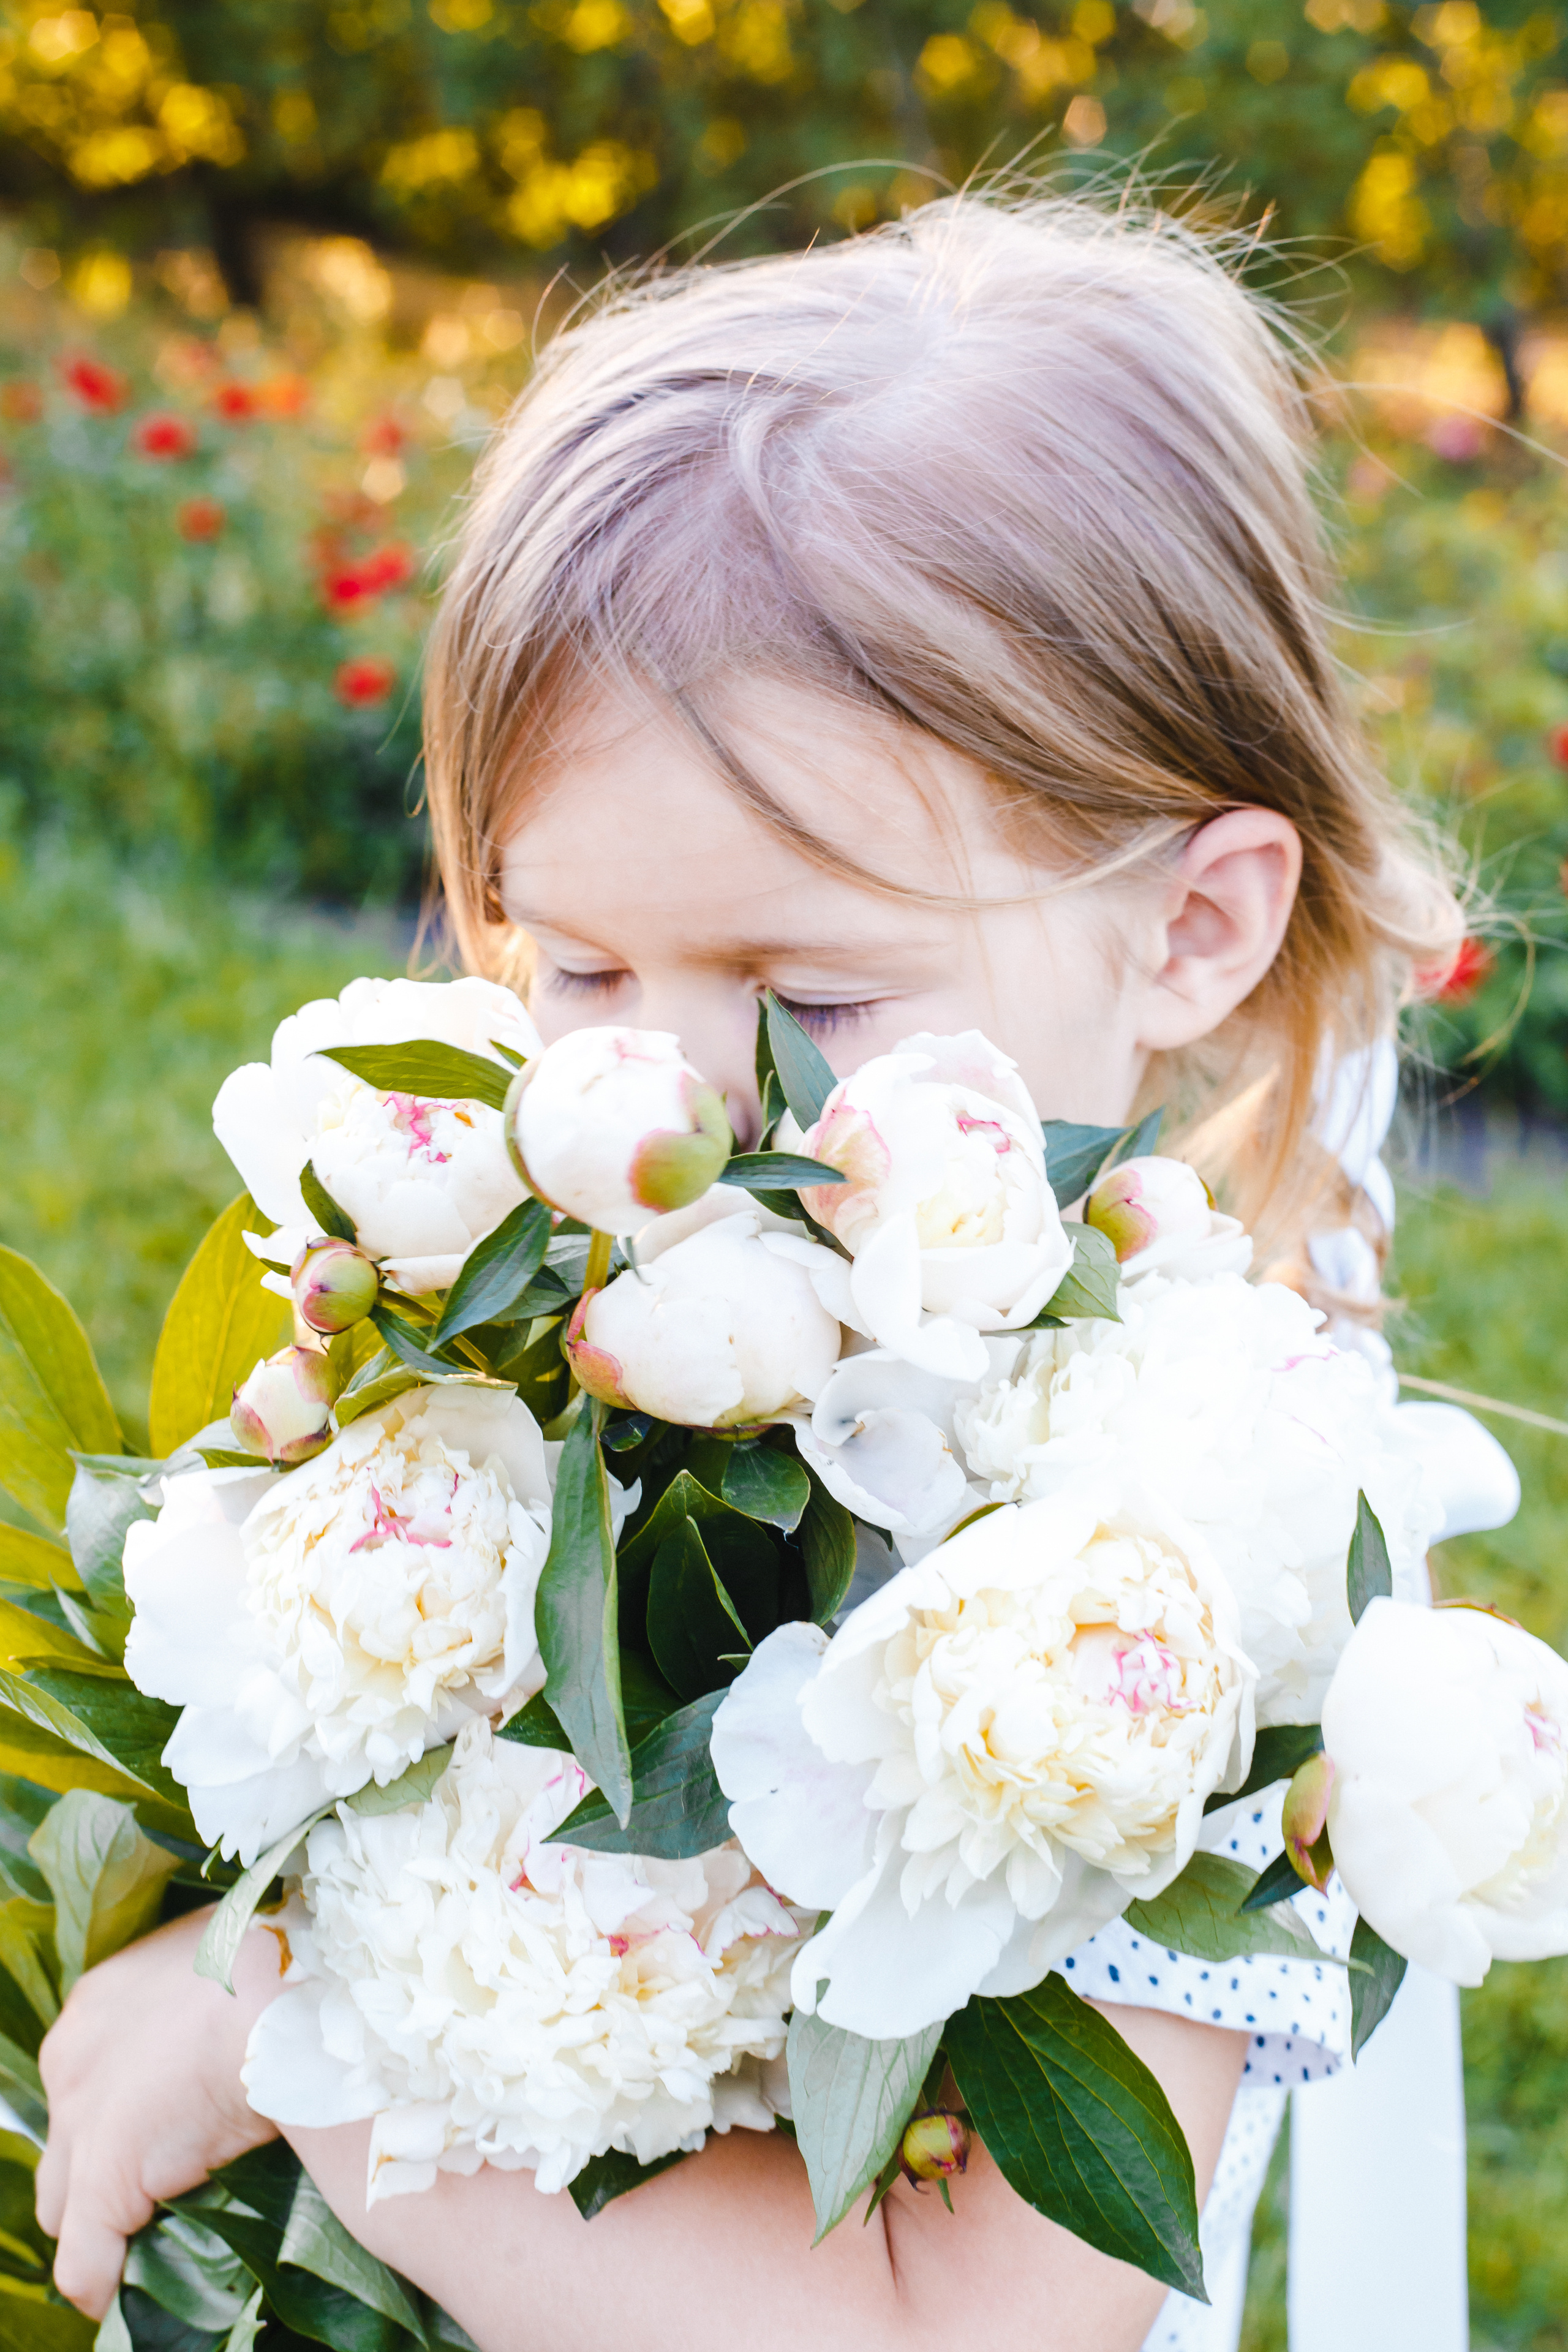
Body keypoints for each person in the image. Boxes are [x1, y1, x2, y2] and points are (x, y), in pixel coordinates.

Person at [34, 189, 1496, 2352]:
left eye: (817, 988)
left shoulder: (1189, 1605)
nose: (667, 1109)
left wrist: (292, 2060)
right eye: (583, 960)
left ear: (1190, 928)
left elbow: (952, 2331)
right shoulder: (534, 1342)